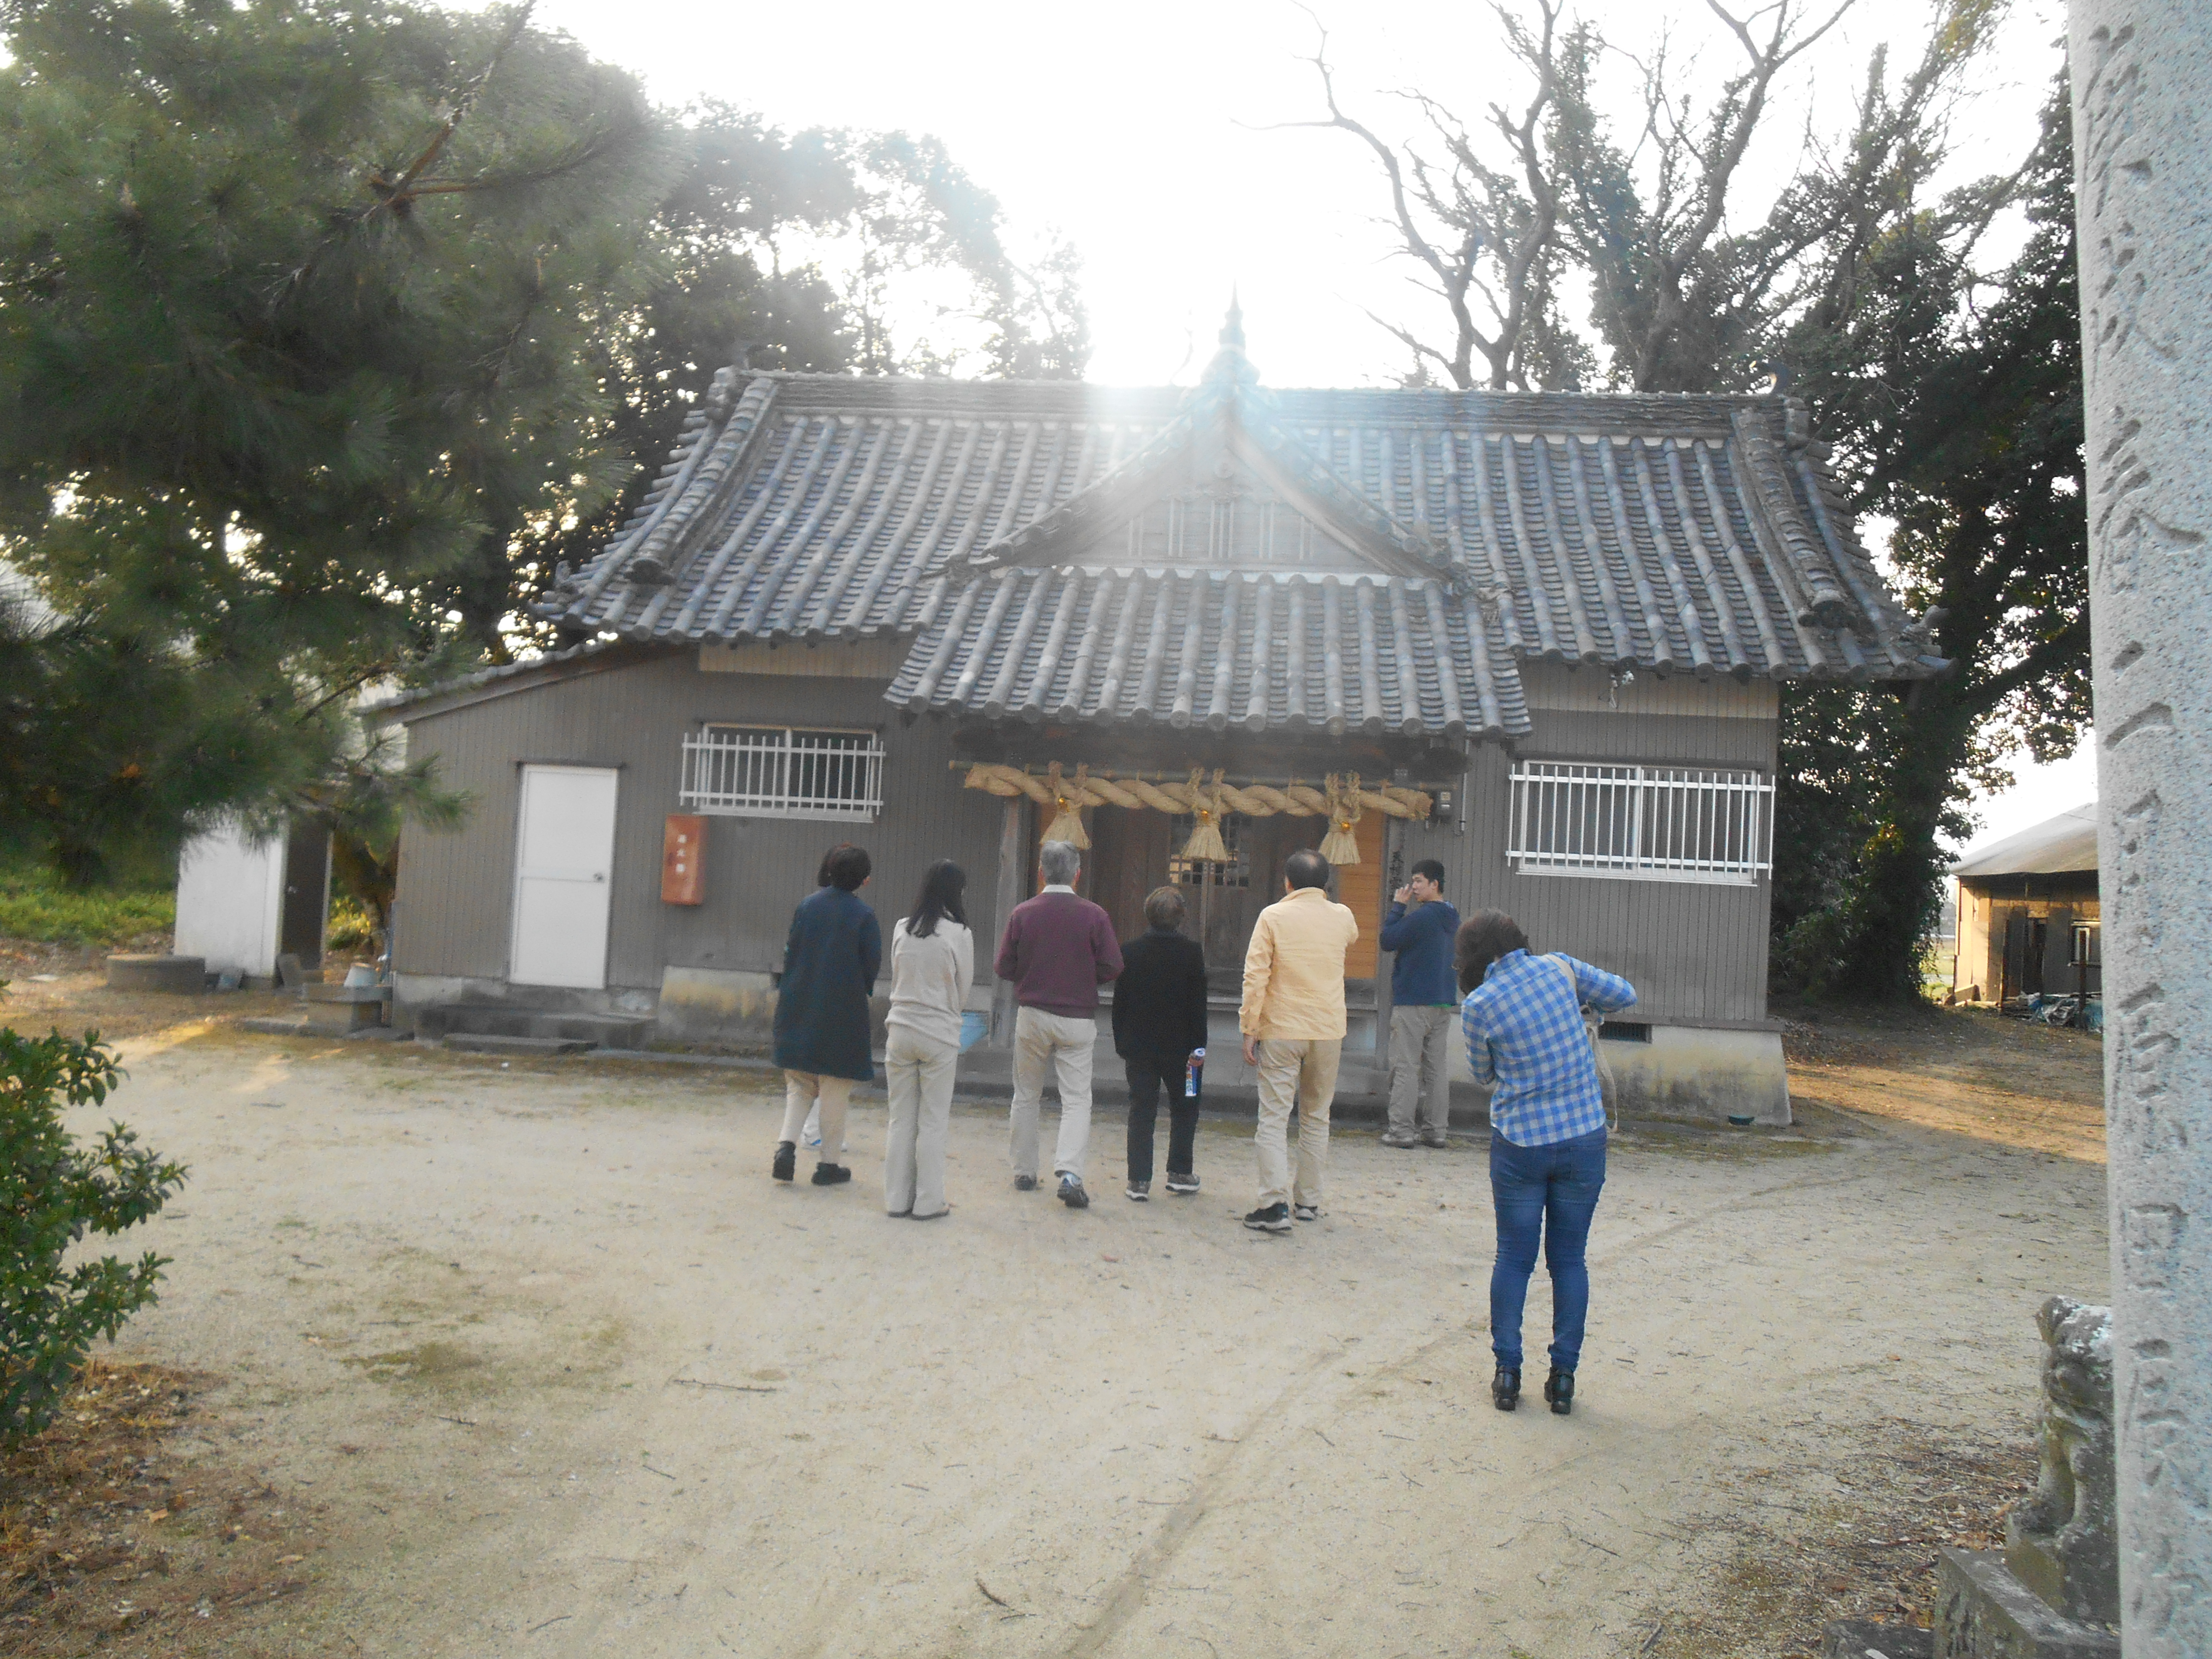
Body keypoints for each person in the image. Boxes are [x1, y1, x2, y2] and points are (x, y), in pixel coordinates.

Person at [1456, 911, 1637, 1417]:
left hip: (1520, 1142)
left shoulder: (1479, 1005)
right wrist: (1582, 1006)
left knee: (1513, 1258)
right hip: (1582, 1137)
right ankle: (1562, 1378)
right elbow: (1625, 995)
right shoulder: (1561, 969)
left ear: (1473, 959)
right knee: (1569, 1260)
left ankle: (1507, 1372)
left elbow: (1482, 1074)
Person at [994, 840, 1123, 1209]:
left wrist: (1030, 974)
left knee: (1026, 1094)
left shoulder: (1022, 913)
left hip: (1033, 1013)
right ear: (1077, 875)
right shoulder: (1094, 915)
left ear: (1041, 873)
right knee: (1077, 1098)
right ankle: (1070, 1173)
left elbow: (1004, 966)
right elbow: (1113, 965)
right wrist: (1084, 977)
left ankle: (1024, 1170)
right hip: (1077, 1017)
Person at [1238, 848, 1359, 1233]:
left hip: (1282, 1026)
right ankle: (1308, 1200)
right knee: (1317, 1116)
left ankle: (1274, 1204)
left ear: (1287, 883)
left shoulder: (1273, 916)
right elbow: (1352, 938)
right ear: (1326, 883)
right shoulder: (1343, 916)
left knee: (1274, 1118)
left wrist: (1249, 1026)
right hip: (1328, 1028)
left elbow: (1256, 975)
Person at [771, 843, 881, 1188]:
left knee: (800, 1085)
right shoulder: (864, 916)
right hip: (842, 1011)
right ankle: (828, 1165)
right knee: (835, 1088)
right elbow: (871, 966)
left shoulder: (807, 906)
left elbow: (790, 951)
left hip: (798, 1003)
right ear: (865, 880)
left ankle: (786, 1146)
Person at [883, 860, 973, 1221]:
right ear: (957, 892)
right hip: (939, 1034)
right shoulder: (960, 934)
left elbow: (896, 975)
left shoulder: (902, 928)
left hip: (900, 1029)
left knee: (900, 1119)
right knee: (933, 1121)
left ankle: (896, 1199)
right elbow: (963, 991)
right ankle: (928, 1201)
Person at [1110, 885, 1210, 1201]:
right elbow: (1199, 1005)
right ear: (1181, 917)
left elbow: (1120, 1003)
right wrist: (1200, 1048)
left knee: (1141, 1109)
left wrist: (1121, 1042)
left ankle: (1138, 1180)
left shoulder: (1130, 952)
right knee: (1187, 1105)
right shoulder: (1192, 953)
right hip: (1187, 1051)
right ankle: (1180, 1171)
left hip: (1140, 1048)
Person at [1379, 858, 1462, 1150]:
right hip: (1443, 1001)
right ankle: (1436, 1131)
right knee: (1436, 1069)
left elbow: (1388, 940)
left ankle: (1401, 1130)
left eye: (1418, 881)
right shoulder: (1452, 916)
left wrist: (1397, 908)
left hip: (1413, 1000)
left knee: (1406, 1066)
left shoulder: (1423, 917)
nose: (1412, 887)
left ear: (1434, 884)